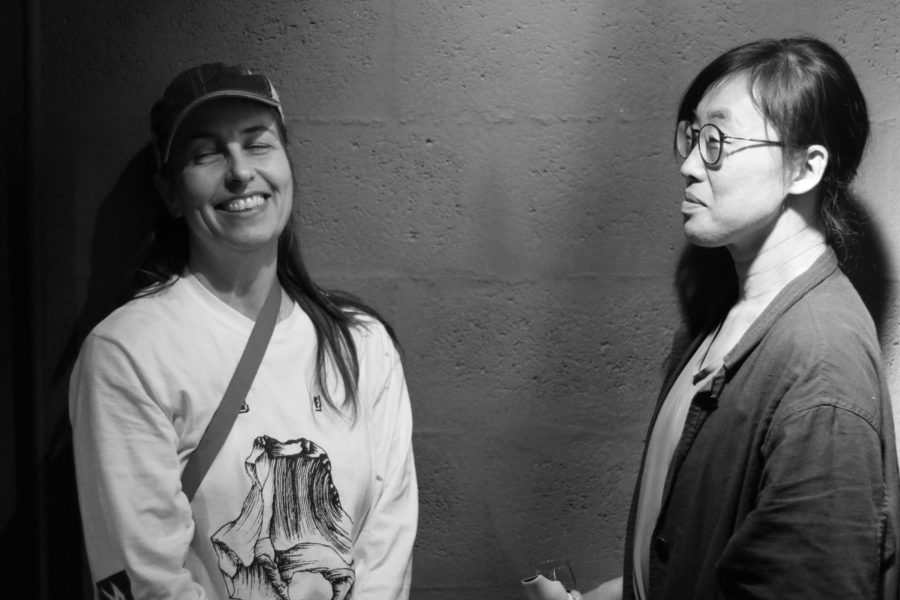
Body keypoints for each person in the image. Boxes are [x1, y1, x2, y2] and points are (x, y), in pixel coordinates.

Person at [69, 63, 418, 600]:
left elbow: (387, 546)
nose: (239, 172)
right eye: (206, 154)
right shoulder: (129, 352)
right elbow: (148, 579)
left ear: (287, 166)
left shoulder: (362, 346)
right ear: (170, 191)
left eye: (257, 144)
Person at [572, 37, 899, 599]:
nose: (689, 165)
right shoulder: (725, 318)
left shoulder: (822, 367)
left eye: (717, 141)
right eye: (693, 135)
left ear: (804, 168)